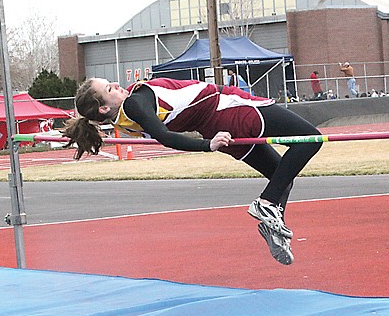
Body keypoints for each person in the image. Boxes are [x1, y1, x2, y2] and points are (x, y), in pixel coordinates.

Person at [62, 77, 322, 265]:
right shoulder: (135, 104)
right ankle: (267, 205)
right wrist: (206, 146)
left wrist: (209, 141)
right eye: (110, 89)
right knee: (311, 139)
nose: (118, 86)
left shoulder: (125, 120)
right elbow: (165, 136)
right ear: (104, 108)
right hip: (228, 106)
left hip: (216, 126)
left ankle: (273, 225)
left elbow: (166, 133)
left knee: (280, 177)